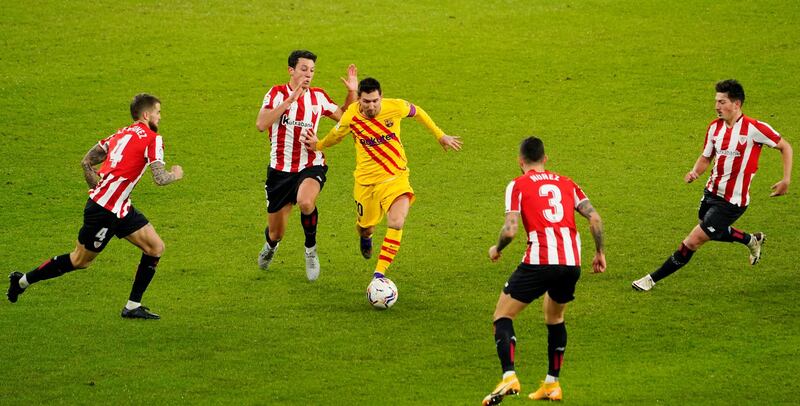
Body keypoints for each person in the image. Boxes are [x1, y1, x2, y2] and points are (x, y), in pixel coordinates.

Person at [6, 93, 183, 319]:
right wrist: (175, 174)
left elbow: (87, 161)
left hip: (120, 208)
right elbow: (159, 178)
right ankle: (21, 281)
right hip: (104, 212)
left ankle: (132, 306)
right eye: (158, 112)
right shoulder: (152, 138)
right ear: (146, 115)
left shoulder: (121, 133)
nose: (160, 117)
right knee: (80, 261)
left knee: (155, 247)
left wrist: (96, 184)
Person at [632, 79, 793, 291]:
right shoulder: (714, 128)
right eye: (716, 101)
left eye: (722, 101)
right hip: (711, 192)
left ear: (736, 104)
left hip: (732, 202)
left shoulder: (754, 128)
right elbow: (706, 157)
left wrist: (786, 179)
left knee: (692, 241)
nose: (717, 106)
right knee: (712, 230)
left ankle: (650, 280)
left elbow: (785, 147)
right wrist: (694, 172)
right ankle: (750, 240)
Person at [482, 137, 606, 405]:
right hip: (571, 263)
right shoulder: (568, 183)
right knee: (555, 318)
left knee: (502, 315)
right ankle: (552, 384)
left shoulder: (517, 185)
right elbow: (595, 218)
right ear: (545, 158)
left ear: (520, 161)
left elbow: (511, 229)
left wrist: (497, 248)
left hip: (540, 261)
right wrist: (599, 253)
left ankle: (509, 376)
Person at [302, 77, 462, 282]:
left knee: (396, 221)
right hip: (366, 182)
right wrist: (319, 145)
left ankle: (379, 275)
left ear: (381, 97)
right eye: (366, 102)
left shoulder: (394, 107)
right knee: (365, 227)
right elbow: (336, 136)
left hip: (395, 177)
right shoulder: (351, 116)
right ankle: (366, 237)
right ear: (359, 100)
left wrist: (440, 135)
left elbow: (418, 111)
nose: (371, 106)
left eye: (375, 101)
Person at [256, 50, 357, 281]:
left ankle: (310, 250)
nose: (308, 74)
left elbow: (346, 118)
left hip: (311, 165)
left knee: (305, 201)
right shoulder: (275, 94)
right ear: (291, 70)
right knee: (276, 233)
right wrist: (290, 101)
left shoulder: (319, 97)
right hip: (280, 171)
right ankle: (271, 246)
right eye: (304, 69)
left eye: (312, 70)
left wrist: (351, 92)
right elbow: (261, 124)